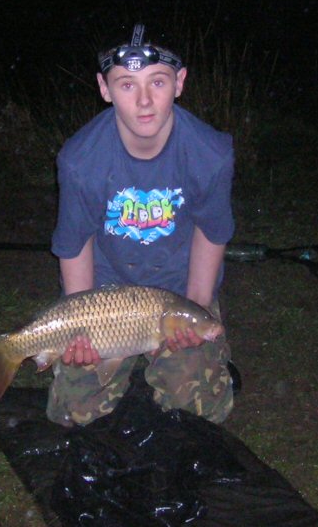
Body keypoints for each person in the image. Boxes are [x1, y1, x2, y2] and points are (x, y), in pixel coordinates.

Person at [47, 24, 235, 427]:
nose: (145, 101)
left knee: (200, 414)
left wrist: (197, 306)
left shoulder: (211, 154)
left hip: (177, 291)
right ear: (104, 88)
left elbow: (212, 231)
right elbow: (74, 243)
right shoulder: (81, 160)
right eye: (127, 85)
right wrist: (81, 326)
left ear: (180, 82)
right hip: (104, 294)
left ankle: (193, 367)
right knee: (74, 416)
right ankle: (121, 368)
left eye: (158, 82)